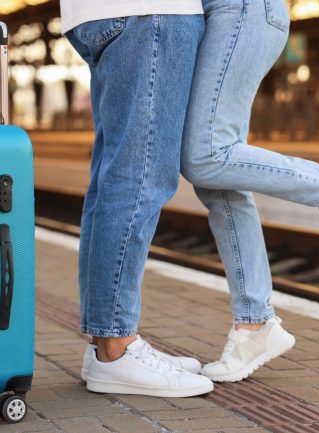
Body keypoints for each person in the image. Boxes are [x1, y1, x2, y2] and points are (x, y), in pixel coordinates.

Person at [180, 0, 319, 382]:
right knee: (217, 178)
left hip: (239, 9)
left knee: (207, 156)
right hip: (221, 14)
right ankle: (254, 326)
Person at [60, 1, 214, 396]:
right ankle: (117, 348)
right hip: (151, 12)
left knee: (112, 178)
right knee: (140, 176)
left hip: (101, 15)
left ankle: (104, 343)